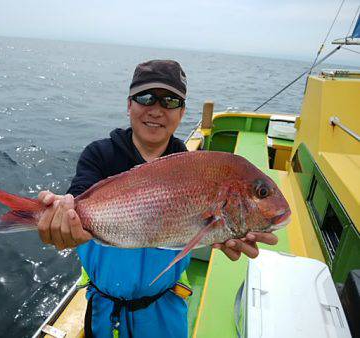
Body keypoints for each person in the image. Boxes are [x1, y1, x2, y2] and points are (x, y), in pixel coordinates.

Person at [37, 60, 278, 338]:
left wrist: (218, 235)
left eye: (170, 100)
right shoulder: (99, 155)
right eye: (145, 97)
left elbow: (198, 227)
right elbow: (78, 204)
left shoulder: (195, 167)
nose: (156, 109)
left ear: (182, 112)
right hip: (104, 308)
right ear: (129, 104)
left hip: (164, 306)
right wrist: (62, 223)